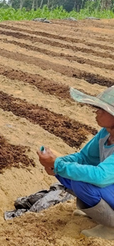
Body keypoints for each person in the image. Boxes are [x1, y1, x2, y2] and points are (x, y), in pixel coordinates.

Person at [37, 86, 114, 240]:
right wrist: (56, 163)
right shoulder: (106, 133)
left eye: (102, 109)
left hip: (108, 183)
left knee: (82, 182)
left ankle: (111, 227)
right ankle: (101, 215)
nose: (97, 112)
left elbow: (101, 176)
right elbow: (83, 157)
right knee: (66, 173)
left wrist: (59, 165)